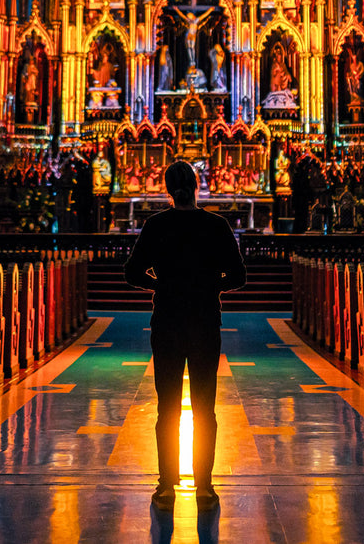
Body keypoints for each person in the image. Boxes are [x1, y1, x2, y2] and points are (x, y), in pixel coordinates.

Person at [123, 161, 246, 512]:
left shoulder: (156, 225)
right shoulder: (216, 225)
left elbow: (131, 272)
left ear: (167, 189)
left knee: (168, 407)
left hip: (168, 320)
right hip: (205, 320)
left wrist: (160, 284)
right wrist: (210, 288)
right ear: (197, 186)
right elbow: (239, 275)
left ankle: (166, 486)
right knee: (205, 407)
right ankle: (205, 487)